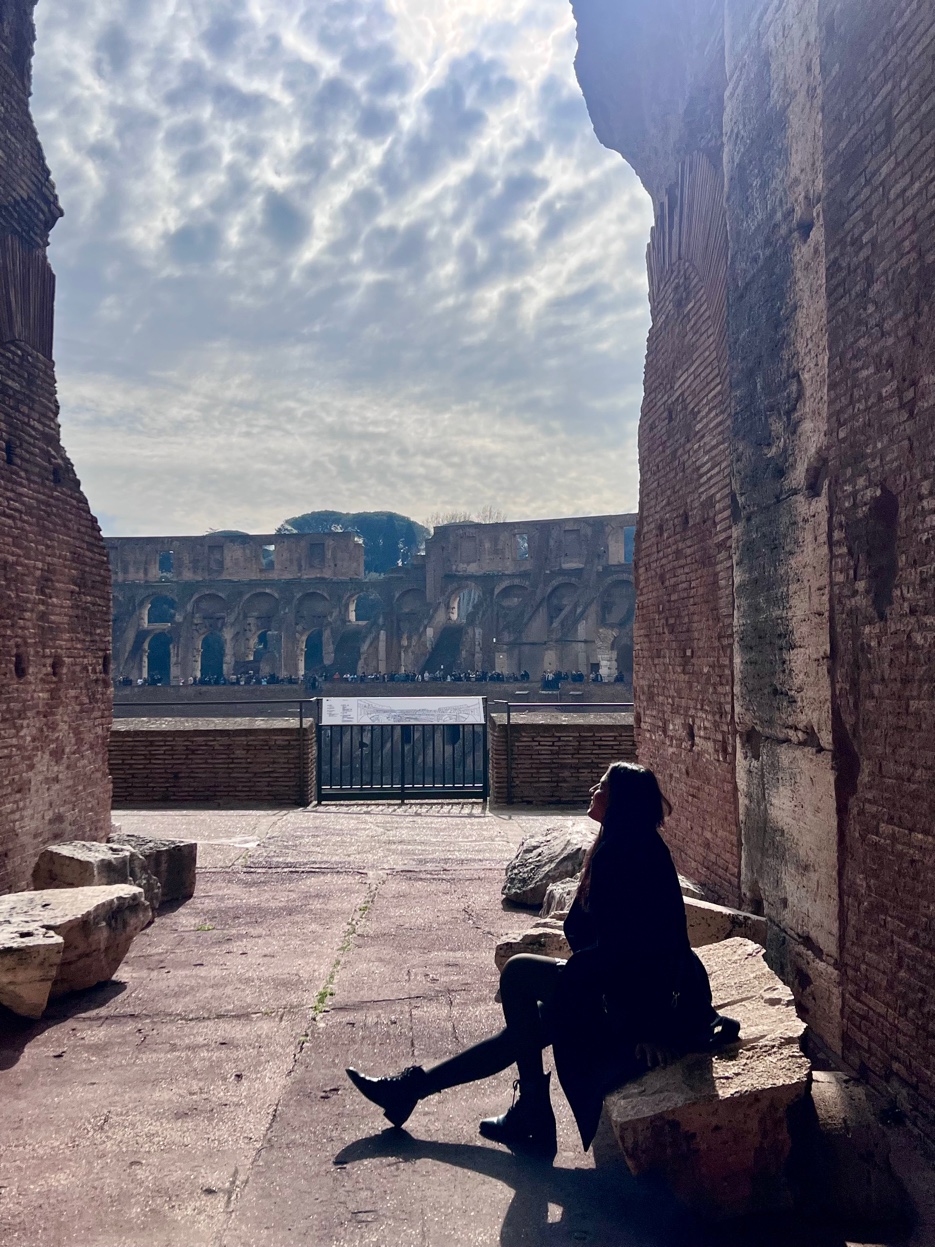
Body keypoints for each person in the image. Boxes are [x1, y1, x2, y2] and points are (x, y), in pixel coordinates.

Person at [345, 762, 739, 1160]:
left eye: (601, 786)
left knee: (518, 974)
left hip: (630, 1002)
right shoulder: (620, 844)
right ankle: (416, 1091)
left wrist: (650, 1029)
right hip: (611, 987)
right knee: (526, 1028)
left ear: (619, 800)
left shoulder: (631, 855)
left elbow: (657, 946)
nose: (592, 789)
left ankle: (518, 1109)